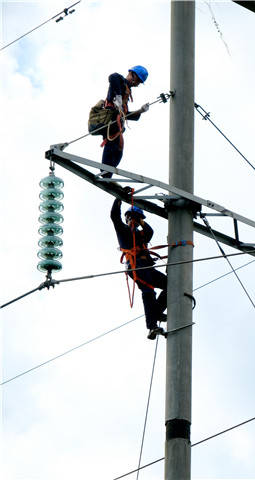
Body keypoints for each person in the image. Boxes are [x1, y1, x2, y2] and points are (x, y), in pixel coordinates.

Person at [111, 193, 167, 339]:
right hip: (136, 266)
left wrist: (141, 221)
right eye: (131, 218)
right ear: (127, 217)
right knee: (148, 291)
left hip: (147, 267)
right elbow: (114, 216)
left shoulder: (141, 234)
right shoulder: (123, 231)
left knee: (170, 284)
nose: (133, 221)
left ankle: (157, 312)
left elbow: (150, 232)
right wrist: (119, 198)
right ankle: (152, 326)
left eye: (136, 218)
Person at [91, 66, 150, 178]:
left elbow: (124, 115)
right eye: (138, 81)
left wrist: (140, 111)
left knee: (118, 150)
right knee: (112, 145)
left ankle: (107, 173)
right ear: (133, 76)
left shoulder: (126, 90)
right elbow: (113, 77)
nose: (137, 84)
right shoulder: (120, 81)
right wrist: (117, 96)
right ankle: (105, 173)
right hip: (110, 121)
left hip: (116, 124)